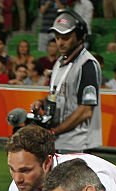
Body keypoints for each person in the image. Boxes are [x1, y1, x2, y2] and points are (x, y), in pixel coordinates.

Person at [30, 11, 103, 153]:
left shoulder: (87, 65)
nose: (60, 42)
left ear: (80, 37)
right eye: (57, 38)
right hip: (60, 142)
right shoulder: (59, 63)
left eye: (66, 37)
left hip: (79, 145)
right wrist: (43, 102)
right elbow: (58, 95)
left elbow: (86, 111)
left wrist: (53, 132)